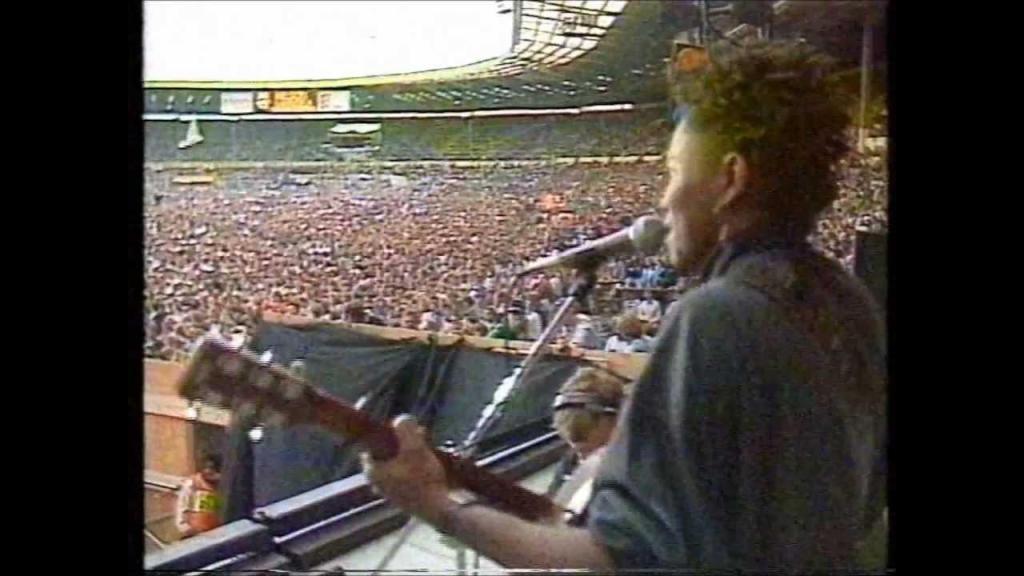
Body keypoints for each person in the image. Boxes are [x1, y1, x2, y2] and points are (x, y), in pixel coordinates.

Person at [545, 367, 628, 524]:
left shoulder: (643, 474)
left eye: (594, 451)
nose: (583, 459)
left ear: (619, 422)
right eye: (578, 451)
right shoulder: (571, 462)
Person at [175, 454, 223, 539]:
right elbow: (182, 505)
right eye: (207, 468)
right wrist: (184, 527)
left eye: (214, 469)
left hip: (215, 533)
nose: (209, 472)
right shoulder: (193, 484)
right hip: (194, 533)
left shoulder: (221, 486)